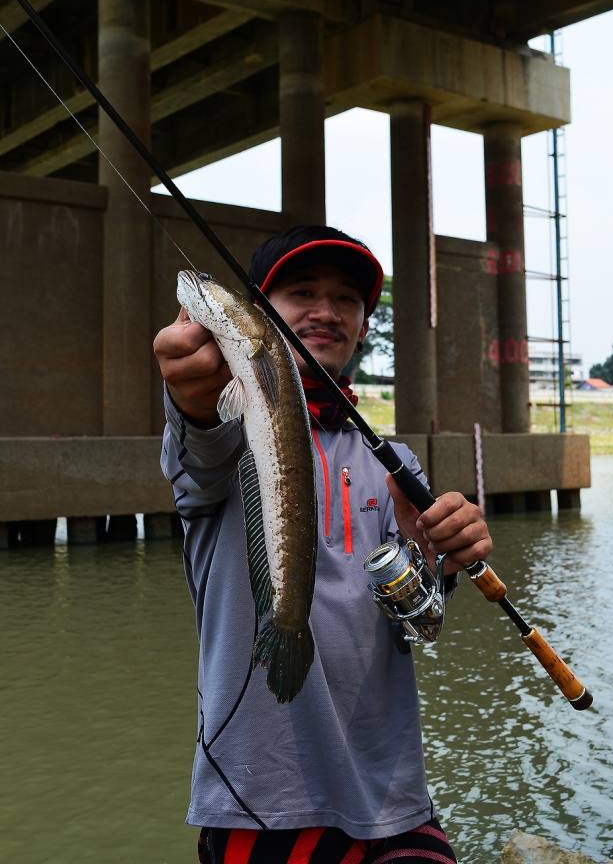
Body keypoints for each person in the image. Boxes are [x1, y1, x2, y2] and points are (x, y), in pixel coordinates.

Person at [153, 224, 493, 864]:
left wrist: (438, 558)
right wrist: (192, 401)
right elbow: (200, 448)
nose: (327, 311)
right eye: (301, 291)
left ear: (365, 326)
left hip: (393, 799)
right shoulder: (224, 435)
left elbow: (425, 622)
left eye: (347, 300)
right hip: (257, 800)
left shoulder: (395, 463)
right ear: (256, 314)